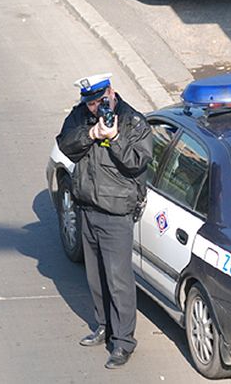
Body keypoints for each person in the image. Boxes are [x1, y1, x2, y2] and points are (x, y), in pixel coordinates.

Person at [56, 73, 152, 369]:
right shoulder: (80, 117)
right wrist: (91, 135)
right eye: (90, 103)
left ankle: (123, 342)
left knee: (118, 279)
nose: (95, 108)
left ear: (111, 92)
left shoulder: (132, 122)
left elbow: (138, 162)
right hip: (87, 205)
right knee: (95, 276)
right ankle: (103, 326)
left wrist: (114, 138)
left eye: (100, 101)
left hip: (116, 211)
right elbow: (64, 145)